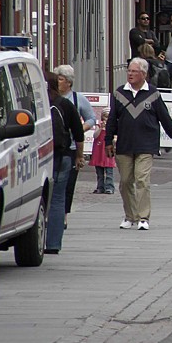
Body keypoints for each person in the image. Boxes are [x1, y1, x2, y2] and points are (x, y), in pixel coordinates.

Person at [103, 58, 172, 232]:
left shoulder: (153, 94)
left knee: (141, 180)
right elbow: (111, 120)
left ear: (143, 74)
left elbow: (165, 118)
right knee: (125, 182)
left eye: (134, 71)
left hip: (146, 144)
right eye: (129, 71)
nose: (130, 74)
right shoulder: (119, 93)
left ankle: (143, 217)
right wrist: (108, 141)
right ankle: (129, 216)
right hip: (125, 144)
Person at [44, 73, 84, 254]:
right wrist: (79, 156)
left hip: (40, 157)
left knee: (39, 199)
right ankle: (53, 244)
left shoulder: (38, 104)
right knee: (58, 199)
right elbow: (78, 133)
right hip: (63, 156)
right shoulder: (65, 104)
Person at [54, 65, 94, 217]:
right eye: (57, 79)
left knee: (68, 184)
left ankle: (63, 214)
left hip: (71, 146)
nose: (58, 82)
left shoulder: (77, 99)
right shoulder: (51, 98)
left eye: (61, 79)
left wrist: (81, 129)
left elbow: (91, 118)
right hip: (55, 145)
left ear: (68, 82)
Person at [90, 110, 116, 194]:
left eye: (108, 117)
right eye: (105, 117)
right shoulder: (99, 126)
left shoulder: (113, 127)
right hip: (99, 151)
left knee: (109, 171)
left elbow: (115, 138)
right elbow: (95, 136)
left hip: (108, 151)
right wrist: (101, 128)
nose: (107, 119)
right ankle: (100, 187)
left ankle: (109, 187)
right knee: (99, 172)